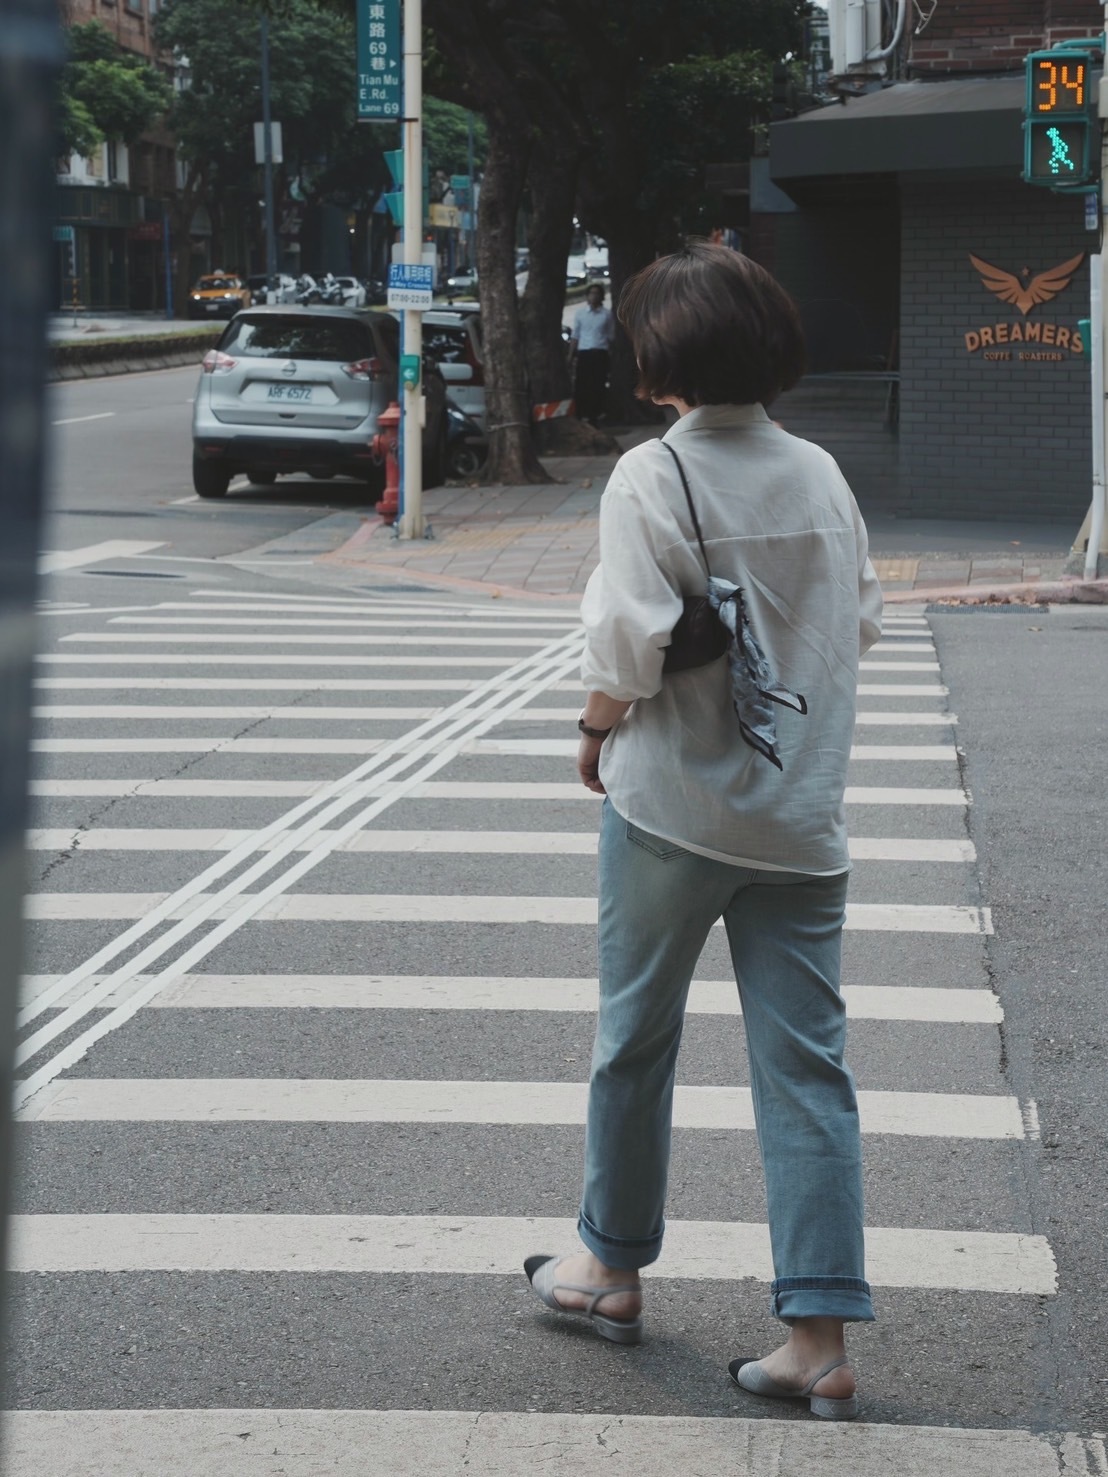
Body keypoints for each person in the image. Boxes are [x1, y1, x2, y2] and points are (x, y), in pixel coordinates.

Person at [524, 242, 883, 1421]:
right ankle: (817, 1336)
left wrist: (592, 730)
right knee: (807, 1069)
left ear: (659, 355)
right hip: (800, 821)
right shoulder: (821, 473)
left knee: (635, 1041)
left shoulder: (652, 473)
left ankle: (608, 1264)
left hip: (672, 811)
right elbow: (860, 622)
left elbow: (628, 645)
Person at [570, 282, 616, 424]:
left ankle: (595, 415)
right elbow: (575, 335)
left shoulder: (606, 315)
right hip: (584, 353)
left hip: (600, 353)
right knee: (582, 384)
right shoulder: (580, 314)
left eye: (597, 293)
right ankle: (581, 413)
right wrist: (570, 355)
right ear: (587, 296)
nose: (594, 296)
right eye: (591, 293)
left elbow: (611, 336)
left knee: (598, 384)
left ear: (601, 296)